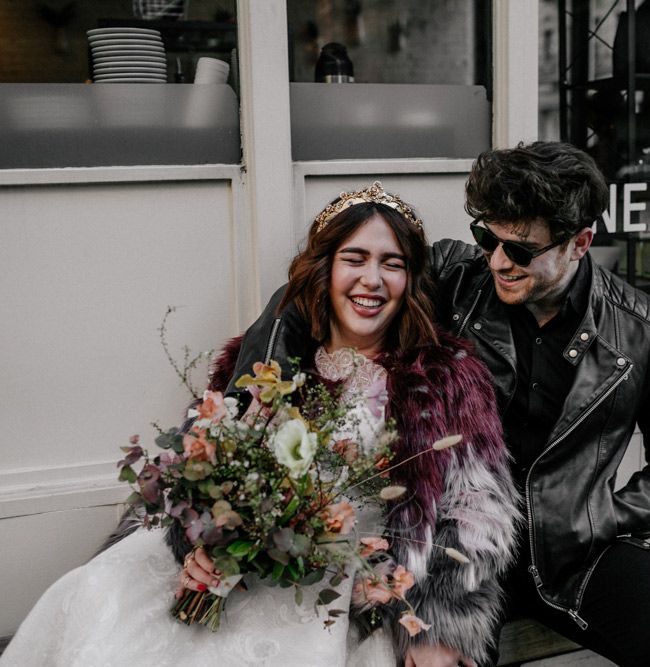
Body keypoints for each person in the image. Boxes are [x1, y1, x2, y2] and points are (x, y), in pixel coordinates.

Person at [206, 143, 650, 667]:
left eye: (520, 250)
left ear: (580, 242)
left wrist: (601, 515)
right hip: (453, 541)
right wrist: (250, 398)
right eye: (487, 237)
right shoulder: (455, 275)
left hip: (573, 550)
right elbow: (308, 295)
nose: (498, 261)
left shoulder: (647, 332)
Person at [0, 183, 519, 667]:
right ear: (324, 268)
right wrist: (197, 543)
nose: (372, 279)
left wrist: (438, 629)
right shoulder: (268, 361)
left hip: (341, 595)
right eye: (354, 259)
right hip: (243, 572)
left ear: (410, 280)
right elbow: (200, 462)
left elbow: (476, 518)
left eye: (393, 264)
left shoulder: (445, 377)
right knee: (104, 603)